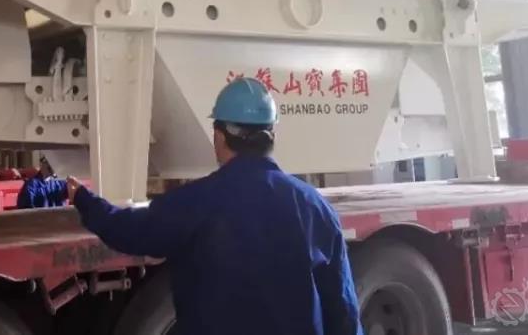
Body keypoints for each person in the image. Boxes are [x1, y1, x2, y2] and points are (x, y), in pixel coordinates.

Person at [67, 77, 362, 335]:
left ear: (219, 137)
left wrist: (84, 199)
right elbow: (342, 306)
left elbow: (129, 231)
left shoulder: (194, 202)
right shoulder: (315, 207)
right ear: (272, 134)